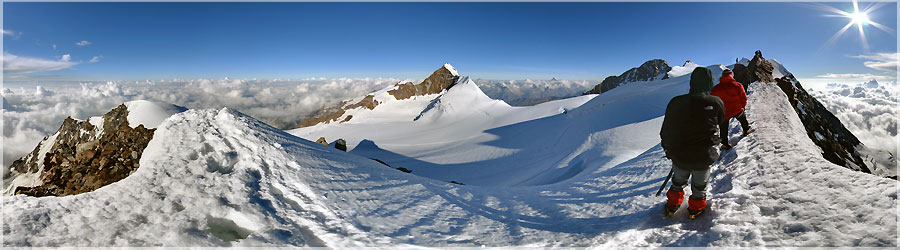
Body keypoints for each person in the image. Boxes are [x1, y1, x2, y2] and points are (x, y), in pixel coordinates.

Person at [659, 67, 725, 218]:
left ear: (692, 82)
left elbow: (666, 130)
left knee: (677, 182)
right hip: (705, 155)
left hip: (680, 154)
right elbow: (720, 121)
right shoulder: (716, 102)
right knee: (700, 186)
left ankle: (672, 205)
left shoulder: (676, 102)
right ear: (709, 83)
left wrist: (668, 150)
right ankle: (695, 209)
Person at [711, 68, 751, 150]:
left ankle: (725, 144)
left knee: (723, 128)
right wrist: (742, 107)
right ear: (731, 75)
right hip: (736, 109)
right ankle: (746, 131)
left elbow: (713, 101)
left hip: (723, 112)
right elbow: (743, 98)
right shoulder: (738, 85)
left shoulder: (715, 88)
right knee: (743, 119)